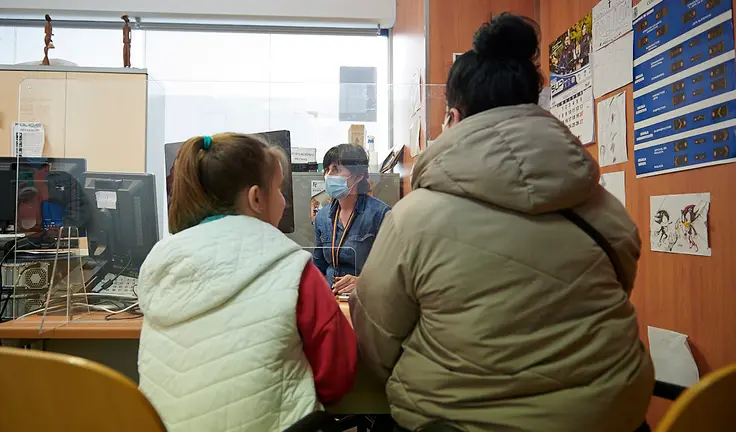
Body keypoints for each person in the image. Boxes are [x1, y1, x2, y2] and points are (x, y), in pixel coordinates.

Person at [350, 14, 654, 432]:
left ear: (453, 119)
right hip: (617, 419)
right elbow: (619, 281)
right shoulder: (599, 203)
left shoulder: (413, 218)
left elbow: (377, 342)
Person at [137, 133, 357, 431]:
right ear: (256, 198)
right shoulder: (290, 265)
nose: (283, 200)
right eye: (279, 190)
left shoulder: (160, 263)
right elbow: (337, 377)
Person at [313, 144, 391, 295]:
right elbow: (318, 266)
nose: (328, 175)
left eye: (335, 169)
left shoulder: (381, 214)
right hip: (332, 297)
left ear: (358, 176)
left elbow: (393, 268)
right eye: (327, 170)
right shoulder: (322, 217)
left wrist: (362, 281)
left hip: (366, 297)